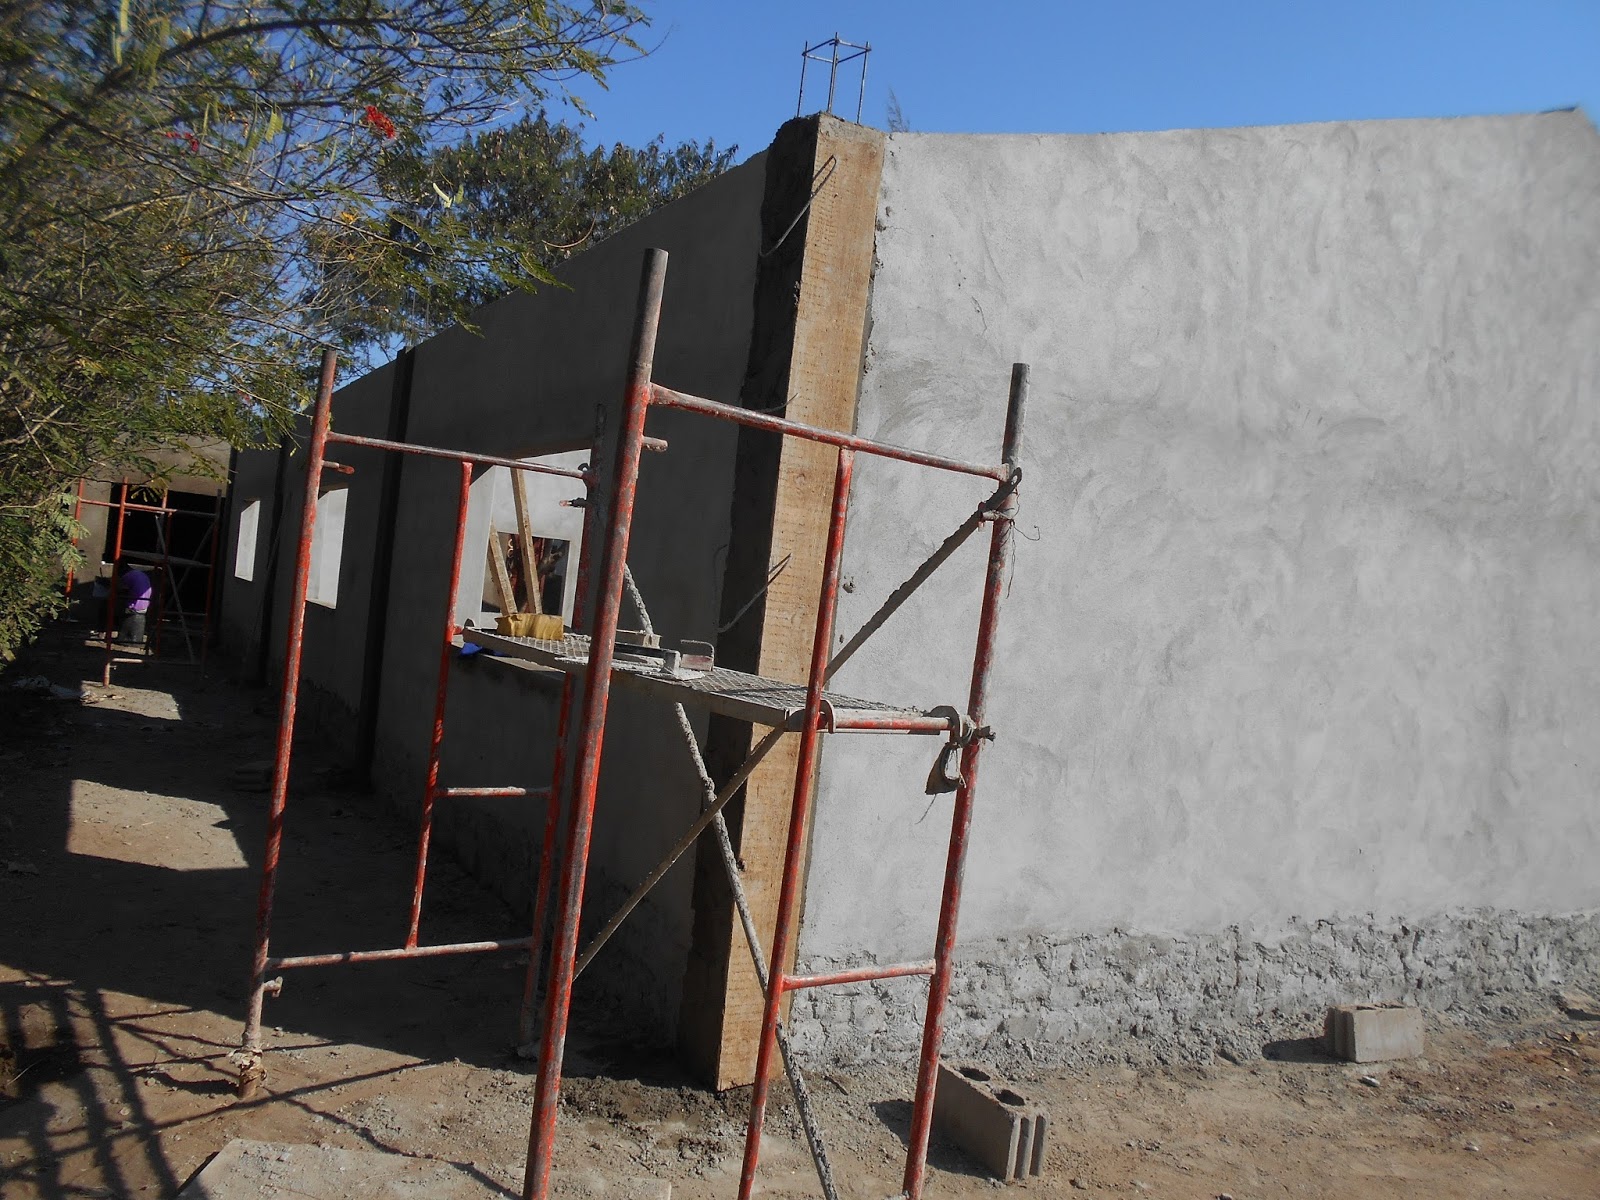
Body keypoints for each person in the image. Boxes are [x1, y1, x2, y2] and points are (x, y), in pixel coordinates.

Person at [117, 562, 153, 646]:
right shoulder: (139, 574)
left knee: (120, 609)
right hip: (145, 604)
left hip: (134, 606)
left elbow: (120, 588)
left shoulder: (127, 576)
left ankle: (124, 638)